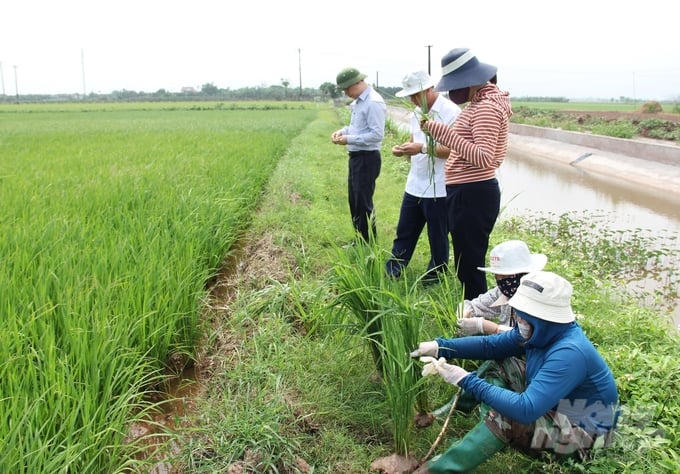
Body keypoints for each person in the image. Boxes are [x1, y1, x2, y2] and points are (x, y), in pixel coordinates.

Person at [410, 271, 619, 473]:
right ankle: (476, 424)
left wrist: (466, 379)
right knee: (499, 363)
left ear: (542, 317)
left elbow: (525, 410)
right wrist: (440, 347)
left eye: (522, 315)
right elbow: (490, 346)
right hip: (554, 408)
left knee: (510, 416)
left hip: (582, 439)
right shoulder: (541, 331)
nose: (517, 318)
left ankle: (433, 470)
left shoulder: (569, 353)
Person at [420, 48, 512, 299]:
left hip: (473, 194)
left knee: (469, 265)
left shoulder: (485, 109)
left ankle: (475, 320)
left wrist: (442, 133)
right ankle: (473, 314)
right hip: (469, 193)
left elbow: (485, 158)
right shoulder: (481, 103)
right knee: (466, 260)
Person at [386, 70, 461, 281]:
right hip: (415, 184)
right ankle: (393, 271)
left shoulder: (451, 112)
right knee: (405, 231)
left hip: (440, 186)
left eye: (415, 94)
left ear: (429, 89)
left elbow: (453, 149)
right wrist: (403, 150)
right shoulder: (417, 113)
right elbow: (414, 142)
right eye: (410, 96)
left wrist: (421, 149)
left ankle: (434, 277)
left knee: (438, 237)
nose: (412, 100)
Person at [331, 67, 386, 243]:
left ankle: (369, 242)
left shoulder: (373, 102)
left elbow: (376, 135)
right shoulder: (360, 102)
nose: (346, 92)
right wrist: (342, 132)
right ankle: (360, 238)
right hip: (356, 157)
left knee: (363, 201)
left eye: (347, 88)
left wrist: (348, 139)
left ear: (358, 83)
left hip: (367, 158)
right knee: (354, 199)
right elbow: (356, 127)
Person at [458, 240, 547, 335]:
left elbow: (528, 336)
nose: (501, 281)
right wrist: (463, 313)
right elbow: (472, 305)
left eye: (504, 276)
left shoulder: (538, 297)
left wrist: (491, 328)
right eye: (497, 276)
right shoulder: (503, 292)